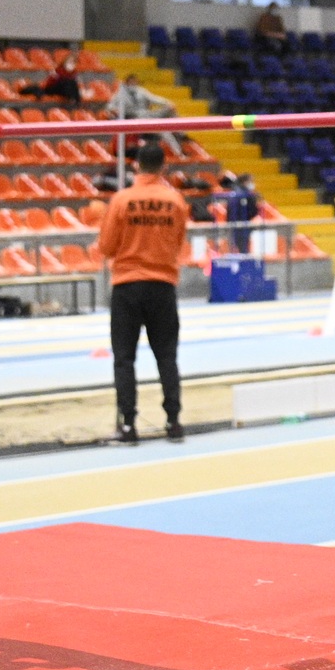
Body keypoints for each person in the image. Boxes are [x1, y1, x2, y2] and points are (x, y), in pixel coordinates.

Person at [95, 141, 189, 444]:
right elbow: (178, 242)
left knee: (124, 358)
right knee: (167, 356)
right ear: (164, 167)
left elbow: (106, 246)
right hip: (162, 285)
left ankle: (128, 426)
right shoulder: (175, 201)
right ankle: (174, 422)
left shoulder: (122, 200)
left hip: (127, 285)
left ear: (136, 166)